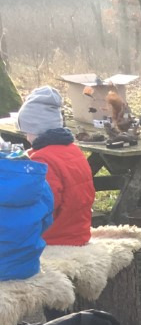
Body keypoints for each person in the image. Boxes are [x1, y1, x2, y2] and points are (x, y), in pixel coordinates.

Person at [18, 86, 93, 246]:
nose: (26, 137)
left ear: (36, 129)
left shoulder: (42, 159)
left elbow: (43, 205)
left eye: (27, 132)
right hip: (79, 230)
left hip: (54, 236)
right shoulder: (73, 149)